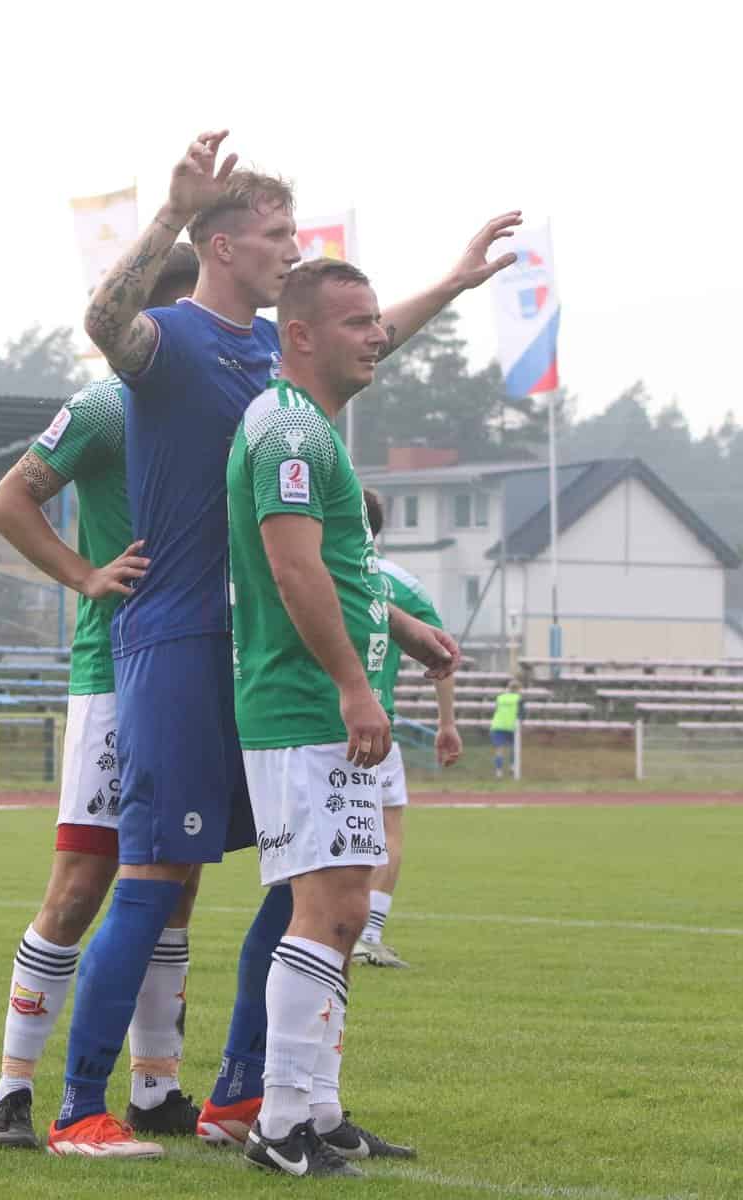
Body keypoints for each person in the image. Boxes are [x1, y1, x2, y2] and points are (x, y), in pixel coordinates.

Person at [48, 130, 513, 1160]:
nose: (292, 247)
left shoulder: (276, 356)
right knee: (154, 876)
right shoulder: (168, 339)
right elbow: (102, 321)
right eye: (275, 234)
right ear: (220, 246)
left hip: (257, 647)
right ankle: (78, 1108)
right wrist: (169, 211)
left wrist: (453, 282)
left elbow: (361, 337)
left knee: (303, 877)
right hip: (176, 638)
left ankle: (242, 1096)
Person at [226, 257, 461, 1177]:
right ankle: (279, 1123)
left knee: (346, 906)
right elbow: (294, 570)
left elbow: (339, 573)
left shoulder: (310, 425)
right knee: (325, 907)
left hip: (316, 702)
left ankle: (317, 1111)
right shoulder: (289, 428)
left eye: (376, 321)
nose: (377, 336)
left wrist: (402, 629)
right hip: (302, 704)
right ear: (301, 336)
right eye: (358, 323)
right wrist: (354, 687)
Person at [0, 244, 202, 1150]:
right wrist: (84, 575)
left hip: (196, 670)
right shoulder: (109, 404)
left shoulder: (222, 404)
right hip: (115, 674)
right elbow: (8, 500)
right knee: (81, 884)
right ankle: (13, 1093)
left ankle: (156, 1089)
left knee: (176, 883)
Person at [356, 489, 462, 969]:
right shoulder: (400, 583)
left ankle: (307, 931)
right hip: (374, 725)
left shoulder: (297, 566)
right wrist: (447, 723)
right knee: (387, 827)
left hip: (298, 722)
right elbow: (441, 654)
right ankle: (366, 936)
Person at [491, 678, 524, 778]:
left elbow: (496, 710)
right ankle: (512, 766)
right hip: (511, 726)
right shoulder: (519, 699)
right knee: (514, 748)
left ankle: (499, 771)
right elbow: (521, 714)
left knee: (499, 750)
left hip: (497, 725)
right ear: (518, 689)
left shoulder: (500, 697)